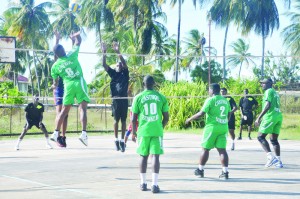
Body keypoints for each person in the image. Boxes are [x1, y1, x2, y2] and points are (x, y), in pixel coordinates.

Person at [50, 30, 90, 146]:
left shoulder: (55, 66)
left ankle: (55, 133)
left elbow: (56, 82)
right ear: (63, 50)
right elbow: (79, 42)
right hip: (79, 82)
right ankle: (83, 134)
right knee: (82, 108)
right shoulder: (72, 54)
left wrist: (53, 85)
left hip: (68, 86)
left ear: (56, 55)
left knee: (63, 111)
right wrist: (76, 36)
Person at [131, 75, 169, 194]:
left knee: (143, 156)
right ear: (154, 84)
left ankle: (143, 183)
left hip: (143, 131)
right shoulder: (161, 97)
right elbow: (166, 117)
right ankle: (155, 185)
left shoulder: (138, 97)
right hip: (156, 130)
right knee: (156, 156)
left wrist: (133, 132)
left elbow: (133, 118)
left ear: (143, 84)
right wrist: (160, 126)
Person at [185, 83, 230, 179]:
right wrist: (225, 121)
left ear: (212, 90)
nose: (208, 92)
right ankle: (225, 172)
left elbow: (201, 113)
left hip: (212, 128)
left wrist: (189, 119)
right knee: (222, 150)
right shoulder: (225, 101)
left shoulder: (210, 100)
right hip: (223, 127)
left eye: (209, 90)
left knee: (205, 149)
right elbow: (229, 114)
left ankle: (200, 170)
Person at [101, 42, 129, 152]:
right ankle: (116, 140)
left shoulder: (125, 74)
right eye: (117, 65)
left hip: (124, 100)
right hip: (116, 100)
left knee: (123, 121)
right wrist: (104, 52)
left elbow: (124, 63)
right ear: (115, 67)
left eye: (120, 65)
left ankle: (122, 141)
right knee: (116, 120)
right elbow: (104, 65)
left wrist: (118, 51)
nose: (119, 65)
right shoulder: (113, 74)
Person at [255, 78, 283, 168]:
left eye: (264, 83)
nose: (262, 85)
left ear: (270, 83)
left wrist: (259, 117)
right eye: (262, 83)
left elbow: (268, 105)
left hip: (270, 117)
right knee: (274, 140)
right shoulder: (275, 92)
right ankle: (278, 161)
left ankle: (271, 157)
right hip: (278, 116)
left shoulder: (268, 91)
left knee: (260, 136)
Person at [52, 31, 68, 147]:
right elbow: (55, 54)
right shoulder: (57, 64)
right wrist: (57, 39)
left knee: (65, 114)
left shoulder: (68, 60)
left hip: (67, 88)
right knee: (59, 112)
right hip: (59, 89)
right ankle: (57, 135)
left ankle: (63, 137)